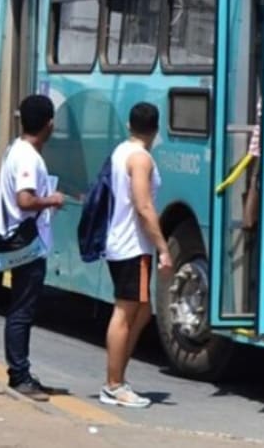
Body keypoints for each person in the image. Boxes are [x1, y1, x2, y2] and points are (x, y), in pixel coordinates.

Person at [100, 102, 170, 409]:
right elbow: (143, 206)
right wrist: (164, 248)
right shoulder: (141, 159)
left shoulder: (121, 151)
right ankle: (114, 384)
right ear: (156, 129)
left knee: (142, 311)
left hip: (122, 243)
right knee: (126, 313)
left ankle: (118, 377)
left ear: (130, 125)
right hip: (132, 246)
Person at [0, 94, 64, 402]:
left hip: (21, 239)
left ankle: (21, 371)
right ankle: (19, 375)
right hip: (24, 241)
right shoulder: (26, 156)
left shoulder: (18, 150)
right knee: (22, 310)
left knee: (20, 307)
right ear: (49, 124)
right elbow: (25, 200)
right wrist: (53, 199)